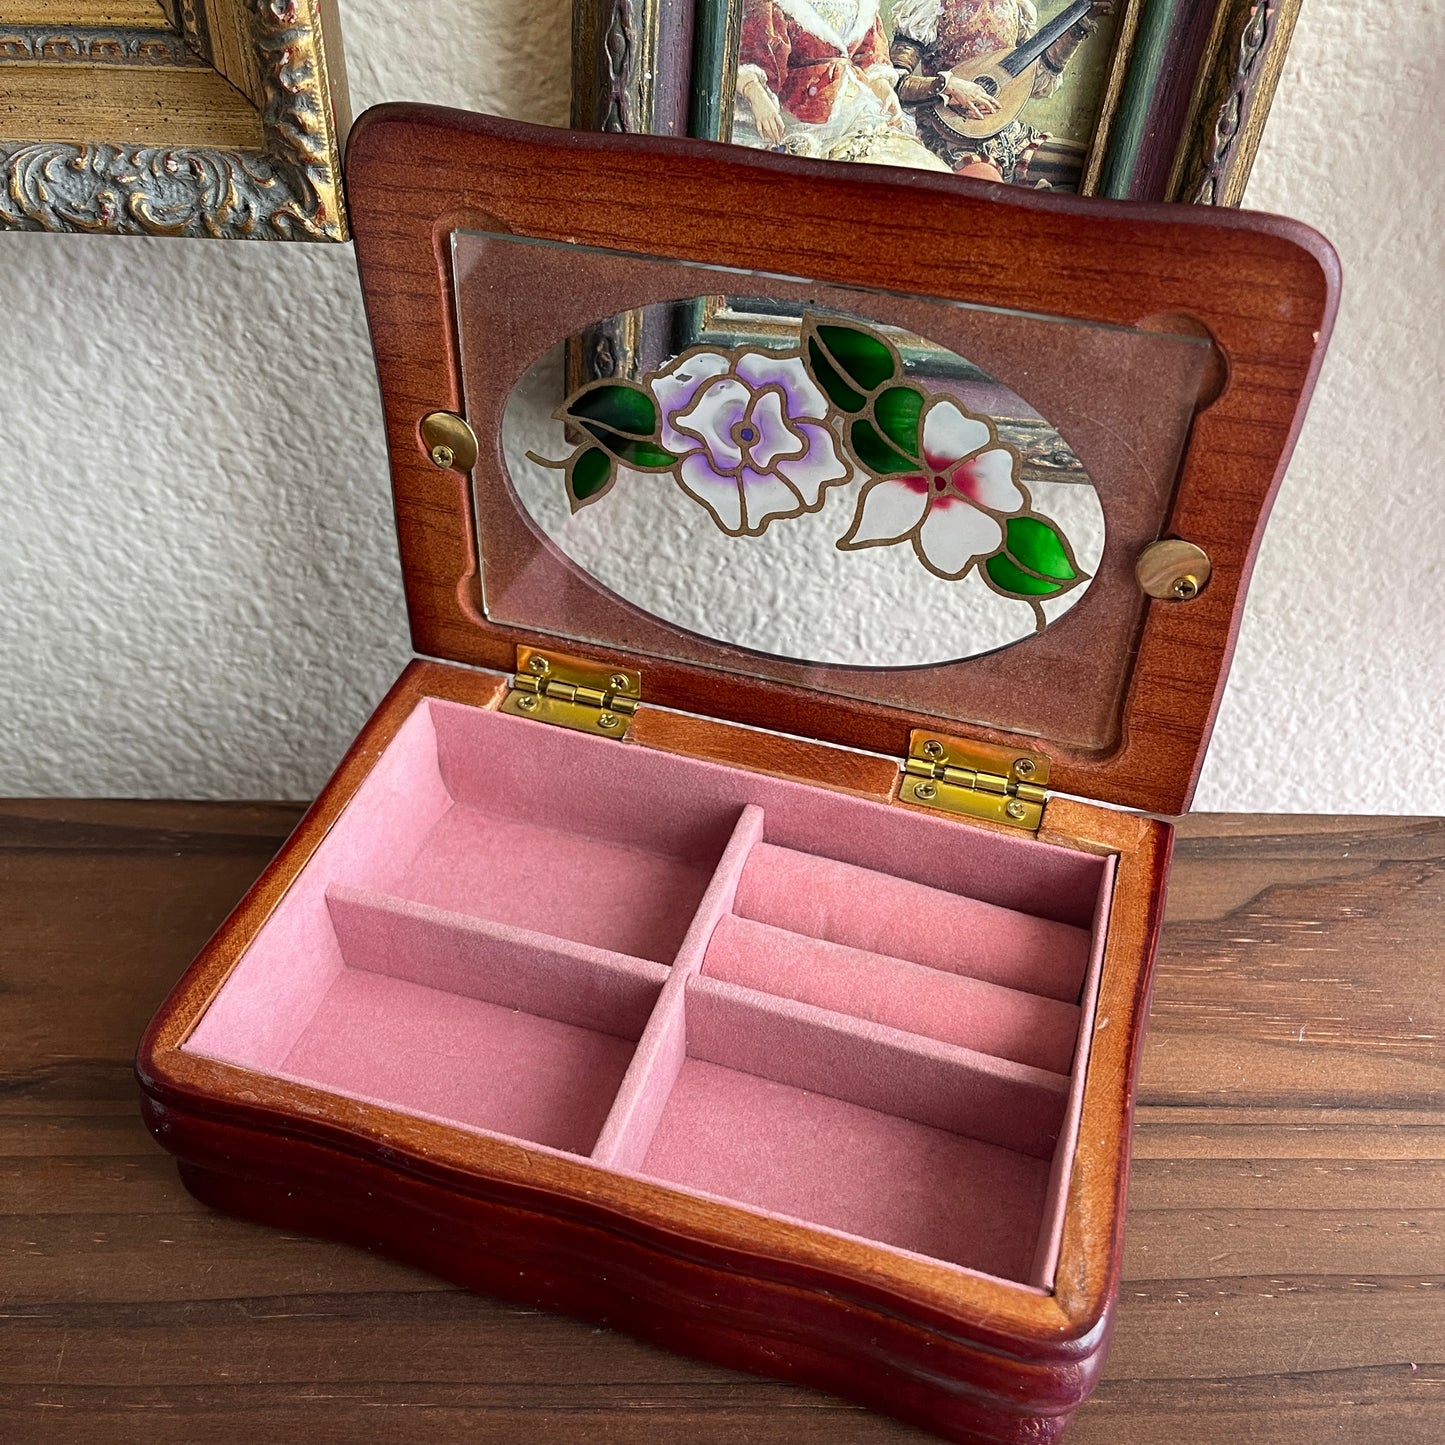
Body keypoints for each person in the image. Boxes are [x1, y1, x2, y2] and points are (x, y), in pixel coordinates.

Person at [889, 0, 1105, 183]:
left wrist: (1077, 28)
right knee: (992, 191)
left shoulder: (1016, 7)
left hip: (1008, 135)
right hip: (947, 136)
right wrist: (950, 86)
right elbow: (896, 83)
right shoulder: (929, 5)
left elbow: (1033, 80)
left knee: (1085, 166)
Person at [733, 0, 951, 171]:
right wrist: (755, 92)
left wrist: (883, 88)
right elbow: (754, 54)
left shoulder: (862, 4)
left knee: (913, 167)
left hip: (859, 105)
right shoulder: (773, 3)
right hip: (801, 115)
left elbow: (870, 56)